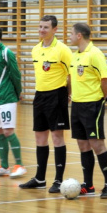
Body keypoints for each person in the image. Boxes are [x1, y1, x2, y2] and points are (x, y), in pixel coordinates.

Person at [19, 15, 72, 192]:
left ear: (55, 29)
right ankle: (40, 178)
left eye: (46, 27)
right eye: (40, 27)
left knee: (57, 138)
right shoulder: (35, 49)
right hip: (39, 96)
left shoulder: (63, 50)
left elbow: (71, 74)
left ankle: (58, 180)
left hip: (57, 95)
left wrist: (68, 94)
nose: (42, 30)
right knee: (40, 138)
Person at [68, 23, 107, 198]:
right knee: (82, 145)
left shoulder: (95, 54)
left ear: (79, 35)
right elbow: (72, 79)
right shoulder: (75, 56)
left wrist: (100, 99)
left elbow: (106, 80)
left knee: (97, 144)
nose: (69, 37)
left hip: (92, 105)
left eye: (71, 34)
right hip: (77, 105)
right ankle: (88, 185)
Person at [0, 24, 27, 178]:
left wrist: (17, 93)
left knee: (8, 131)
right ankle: (3, 166)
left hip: (7, 98)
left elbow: (16, 75)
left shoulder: (6, 52)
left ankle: (20, 165)